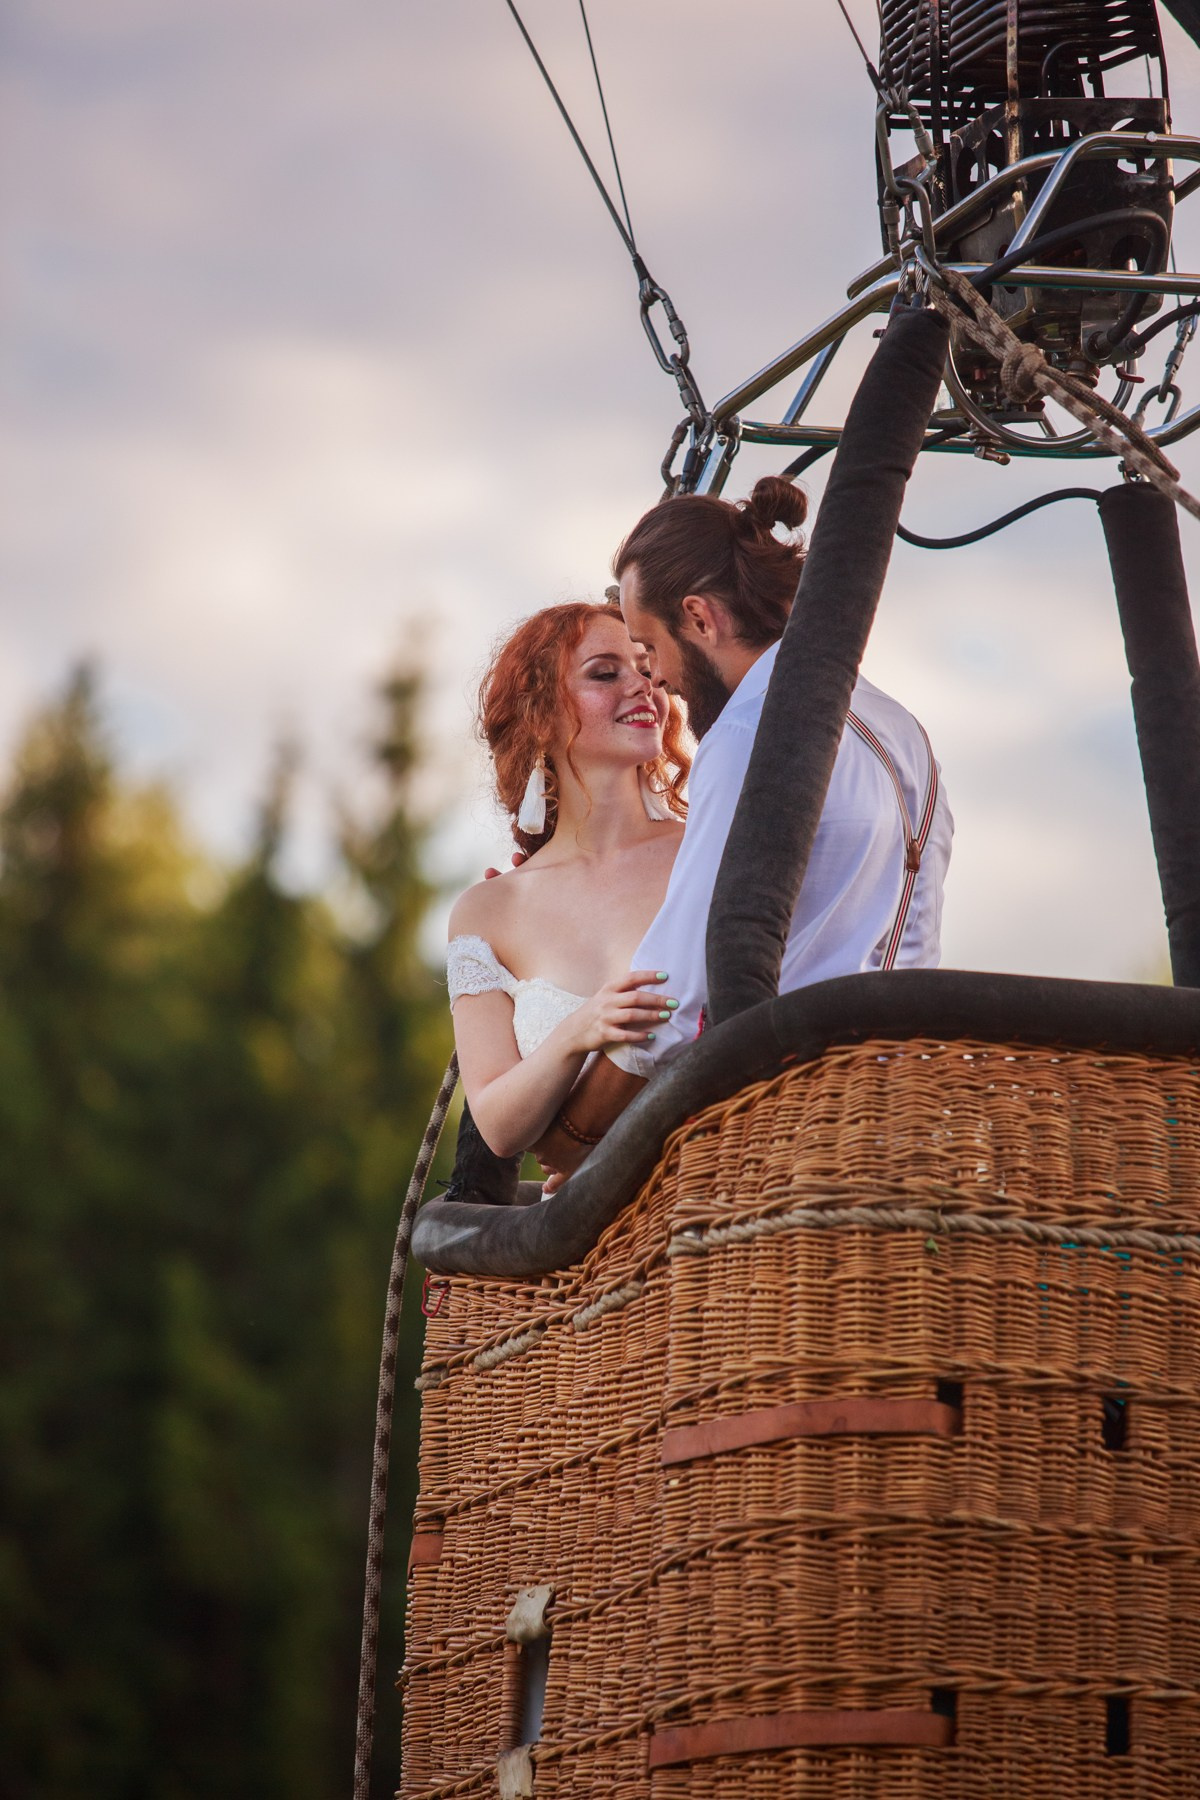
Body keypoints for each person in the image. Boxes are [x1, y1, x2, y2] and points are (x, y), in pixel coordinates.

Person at [532, 473, 953, 1179]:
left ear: (700, 617)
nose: (655, 680)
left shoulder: (748, 734)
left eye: (648, 648)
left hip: (783, 1128)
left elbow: (682, 986)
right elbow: (916, 949)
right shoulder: (905, 733)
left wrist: (573, 1140)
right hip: (892, 1117)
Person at [446, 600, 690, 1159]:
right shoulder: (488, 910)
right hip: (587, 1237)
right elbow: (500, 1128)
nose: (643, 685)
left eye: (644, 666)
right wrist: (578, 1031)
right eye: (606, 673)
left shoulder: (709, 850)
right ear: (541, 718)